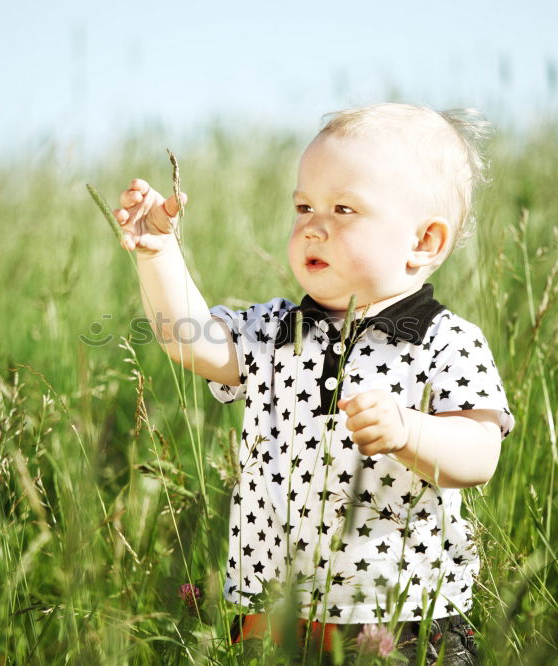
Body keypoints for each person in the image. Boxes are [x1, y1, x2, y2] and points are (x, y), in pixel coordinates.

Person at [112, 103, 514, 664]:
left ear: (424, 242)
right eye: (304, 206)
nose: (312, 225)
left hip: (403, 616)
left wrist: (409, 431)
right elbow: (193, 342)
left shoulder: (446, 342)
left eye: (343, 208)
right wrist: (159, 254)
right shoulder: (278, 330)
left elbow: (479, 455)